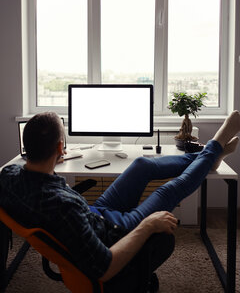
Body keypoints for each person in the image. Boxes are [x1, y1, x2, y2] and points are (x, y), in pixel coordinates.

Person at [0, 111, 239, 293]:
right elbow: (105, 268)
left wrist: (52, 168)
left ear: (27, 147)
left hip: (95, 212)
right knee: (169, 191)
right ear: (61, 147)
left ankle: (209, 157)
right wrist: (148, 226)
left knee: (141, 164)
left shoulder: (8, 175)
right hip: (116, 229)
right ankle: (213, 150)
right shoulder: (63, 208)